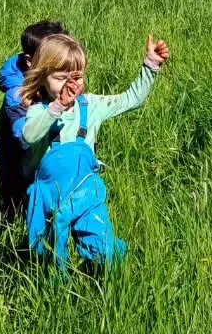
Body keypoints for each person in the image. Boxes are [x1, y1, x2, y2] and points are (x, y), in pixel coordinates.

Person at [20, 32, 170, 268]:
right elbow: (29, 135)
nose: (69, 85)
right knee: (46, 255)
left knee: (103, 246)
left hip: (85, 192)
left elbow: (132, 99)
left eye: (76, 77)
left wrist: (150, 65)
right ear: (42, 77)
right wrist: (57, 107)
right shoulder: (40, 111)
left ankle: (112, 274)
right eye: (60, 78)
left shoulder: (91, 105)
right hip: (49, 195)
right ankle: (54, 285)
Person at [0, 19, 67, 218]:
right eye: (54, 57)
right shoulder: (17, 97)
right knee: (15, 211)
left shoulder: (54, 80)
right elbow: (25, 137)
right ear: (30, 60)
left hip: (46, 166)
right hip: (16, 167)